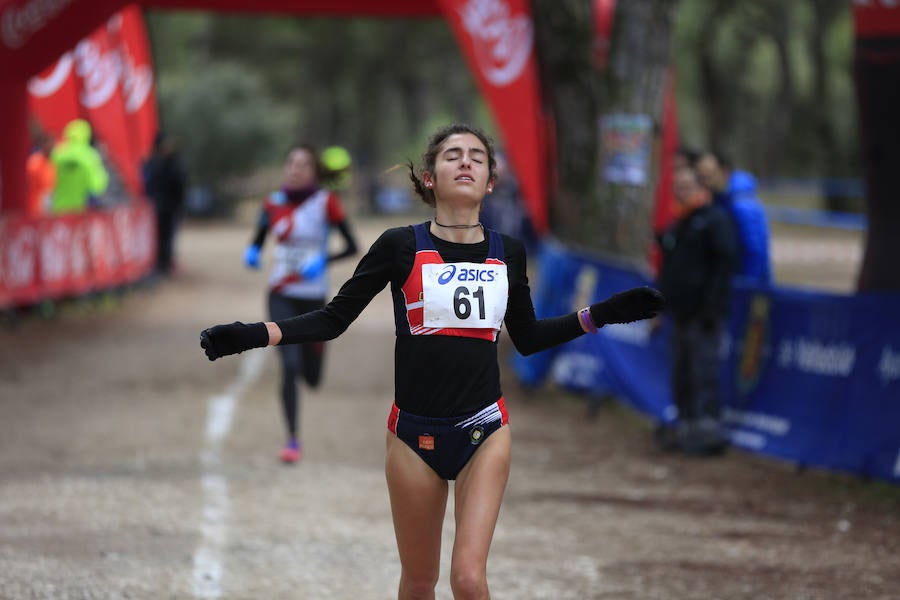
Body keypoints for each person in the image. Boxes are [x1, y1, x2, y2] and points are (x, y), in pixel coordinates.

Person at [199, 123, 665, 598]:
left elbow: (527, 338)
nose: (465, 162)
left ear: (490, 182)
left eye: (477, 157)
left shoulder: (510, 252)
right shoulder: (400, 246)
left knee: (467, 579)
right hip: (412, 436)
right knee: (420, 580)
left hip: (484, 428)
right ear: (428, 178)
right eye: (452, 155)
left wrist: (600, 315)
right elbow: (333, 319)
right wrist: (250, 334)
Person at [243, 142, 359, 464]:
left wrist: (322, 261)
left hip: (313, 297)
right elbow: (259, 239)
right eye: (291, 163)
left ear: (314, 172)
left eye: (303, 165)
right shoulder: (273, 202)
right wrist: (252, 252)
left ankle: (317, 354)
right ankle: (292, 439)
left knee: (312, 377)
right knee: (289, 367)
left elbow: (352, 246)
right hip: (279, 293)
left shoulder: (326, 202)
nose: (296, 169)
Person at [654, 166, 737, 456]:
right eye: (677, 185)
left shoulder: (716, 221)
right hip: (678, 316)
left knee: (705, 375)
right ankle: (686, 430)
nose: (681, 190)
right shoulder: (677, 225)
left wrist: (711, 310)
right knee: (682, 376)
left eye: (687, 185)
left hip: (704, 317)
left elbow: (725, 267)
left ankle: (709, 436)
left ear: (702, 188)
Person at [695, 150, 772, 284]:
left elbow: (754, 251)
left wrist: (747, 288)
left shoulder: (741, 204)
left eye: (709, 175)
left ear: (724, 171)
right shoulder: (722, 200)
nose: (705, 182)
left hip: (743, 286)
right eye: (701, 177)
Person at [142, 132, 188, 276]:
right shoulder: (153, 163)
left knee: (169, 236)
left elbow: (180, 184)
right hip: (157, 207)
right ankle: (160, 263)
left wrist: (179, 204)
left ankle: (166, 262)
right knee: (159, 236)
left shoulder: (174, 163)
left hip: (171, 207)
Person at [49, 119, 109, 215]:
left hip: (59, 208)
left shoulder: (57, 154)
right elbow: (98, 183)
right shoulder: (89, 155)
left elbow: (47, 180)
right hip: (82, 209)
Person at [26, 131, 56, 218]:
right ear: (42, 145)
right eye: (47, 143)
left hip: (51, 205)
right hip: (36, 206)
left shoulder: (55, 161)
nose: (50, 146)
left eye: (52, 143)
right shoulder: (34, 162)